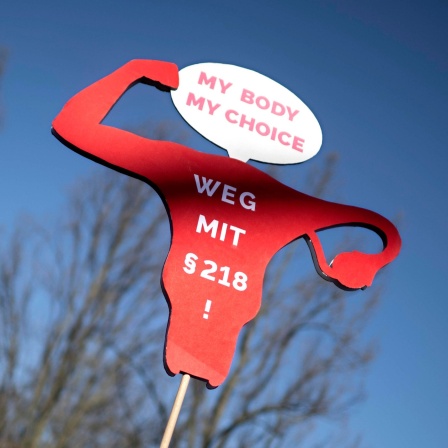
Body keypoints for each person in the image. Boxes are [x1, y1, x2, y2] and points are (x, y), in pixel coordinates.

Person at [52, 59, 401, 388]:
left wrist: (132, 72)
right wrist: (133, 70)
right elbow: (381, 229)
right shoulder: (187, 171)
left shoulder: (204, 177)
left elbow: (382, 231)